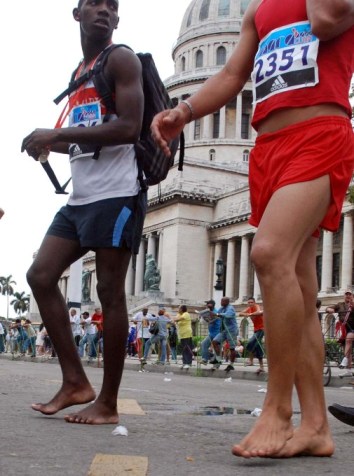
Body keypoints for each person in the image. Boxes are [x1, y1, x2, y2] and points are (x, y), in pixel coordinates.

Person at [151, 0, 354, 458]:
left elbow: (326, 20)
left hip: (319, 132)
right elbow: (230, 77)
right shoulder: (257, 12)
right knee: (300, 286)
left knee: (267, 252)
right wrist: (184, 112)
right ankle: (317, 424)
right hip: (267, 149)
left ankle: (278, 411)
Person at [21, 0, 146, 425]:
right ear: (76, 14)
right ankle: (75, 381)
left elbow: (128, 127)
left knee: (109, 292)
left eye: (112, 6)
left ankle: (107, 403)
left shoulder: (122, 59)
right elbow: (85, 135)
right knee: (40, 274)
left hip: (116, 194)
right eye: (94, 3)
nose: (104, 11)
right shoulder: (79, 74)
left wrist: (56, 132)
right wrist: (48, 143)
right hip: (80, 199)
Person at [326, 290, 354, 371]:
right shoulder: (340, 305)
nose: (348, 296)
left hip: (352, 328)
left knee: (348, 341)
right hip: (343, 329)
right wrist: (329, 309)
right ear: (344, 296)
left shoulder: (352, 305)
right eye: (346, 294)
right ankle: (348, 370)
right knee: (346, 347)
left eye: (350, 294)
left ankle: (344, 359)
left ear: (352, 296)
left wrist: (352, 304)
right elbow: (330, 308)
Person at [210, 297, 238, 372]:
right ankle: (219, 359)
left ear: (227, 302)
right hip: (223, 330)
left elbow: (228, 315)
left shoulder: (230, 308)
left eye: (223, 301)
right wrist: (209, 316)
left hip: (231, 330)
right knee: (215, 342)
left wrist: (218, 314)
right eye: (221, 301)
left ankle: (231, 364)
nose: (221, 302)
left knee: (232, 348)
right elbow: (216, 315)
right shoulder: (222, 308)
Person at [239, 297, 265, 374]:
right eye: (249, 302)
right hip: (256, 330)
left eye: (251, 302)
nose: (250, 304)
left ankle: (251, 360)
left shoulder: (257, 306)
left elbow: (260, 312)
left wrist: (250, 314)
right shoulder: (249, 308)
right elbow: (240, 313)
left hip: (262, 329)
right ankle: (260, 366)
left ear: (254, 302)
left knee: (251, 342)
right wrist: (247, 314)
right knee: (257, 346)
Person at [200, 299, 221, 365]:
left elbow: (211, 321)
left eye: (209, 306)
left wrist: (205, 318)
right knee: (204, 344)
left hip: (217, 333)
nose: (208, 307)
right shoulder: (209, 311)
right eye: (207, 306)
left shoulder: (215, 312)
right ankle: (205, 359)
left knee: (216, 349)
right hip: (211, 333)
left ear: (213, 306)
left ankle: (217, 364)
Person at [173, 305, 193, 369]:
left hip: (187, 334)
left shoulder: (186, 314)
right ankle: (184, 363)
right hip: (182, 335)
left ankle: (188, 363)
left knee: (187, 348)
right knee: (183, 349)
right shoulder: (179, 314)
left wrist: (175, 319)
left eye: (179, 308)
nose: (178, 309)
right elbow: (175, 319)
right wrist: (175, 319)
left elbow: (177, 319)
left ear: (182, 309)